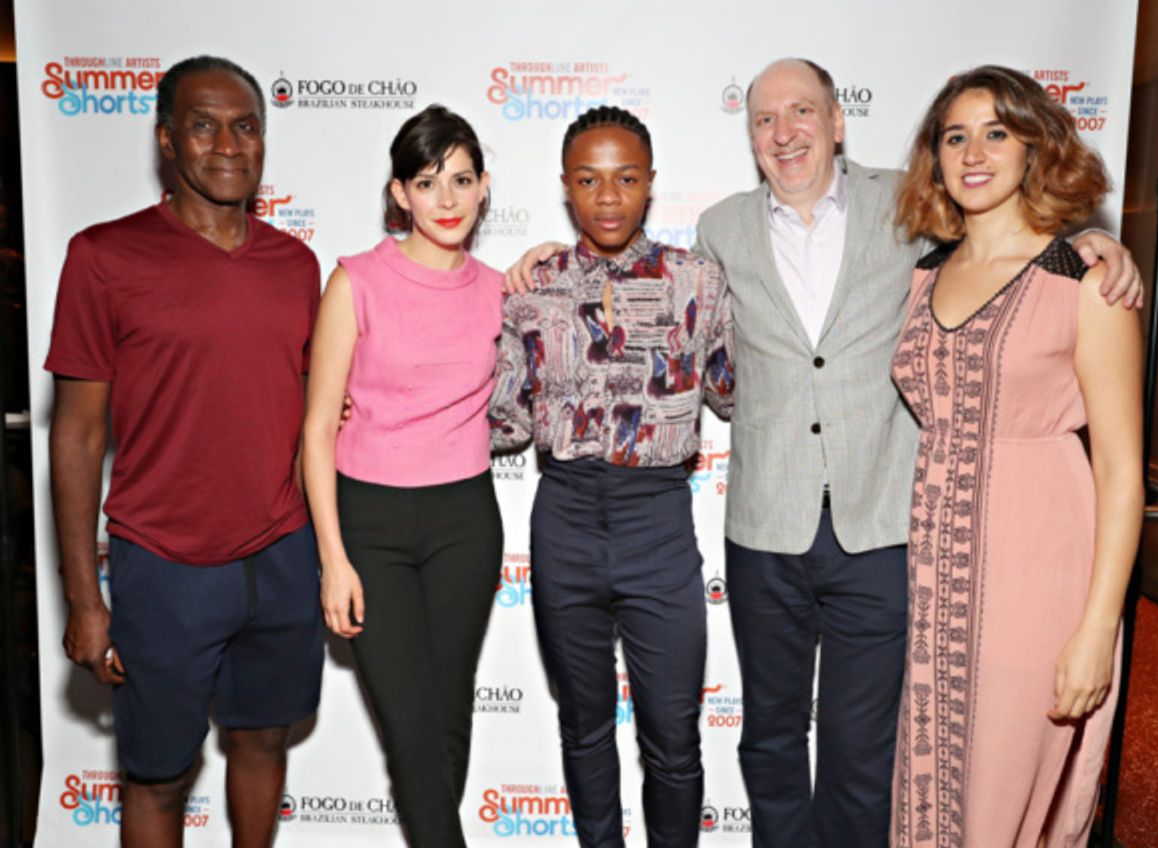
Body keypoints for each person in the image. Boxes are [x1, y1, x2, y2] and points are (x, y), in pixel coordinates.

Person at [507, 58, 1141, 848]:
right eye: (765, 120)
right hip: (765, 529)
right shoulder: (719, 232)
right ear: (751, 139)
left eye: (802, 112)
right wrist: (545, 266)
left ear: (837, 122)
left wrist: (1091, 244)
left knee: (863, 749)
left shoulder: (908, 205)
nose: (785, 133)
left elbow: (1010, 238)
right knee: (770, 739)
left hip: (883, 525)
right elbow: (637, 290)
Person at [46, 56, 323, 848]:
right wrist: (84, 600)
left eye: (245, 127)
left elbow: (308, 418)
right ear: (167, 140)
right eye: (204, 126)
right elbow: (77, 434)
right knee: (158, 776)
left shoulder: (296, 264)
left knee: (263, 742)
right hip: (163, 564)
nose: (228, 145)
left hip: (281, 554)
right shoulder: (104, 257)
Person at [889, 65, 1142, 847]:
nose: (973, 153)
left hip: (1040, 573)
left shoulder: (1086, 282)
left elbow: (1121, 471)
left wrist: (1098, 628)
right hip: (936, 574)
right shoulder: (924, 275)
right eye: (955, 136)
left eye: (996, 133)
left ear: (1036, 148)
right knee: (937, 783)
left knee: (1004, 793)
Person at [489, 105, 734, 848]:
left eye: (626, 178)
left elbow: (737, 392)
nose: (608, 197)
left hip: (658, 522)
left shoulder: (699, 280)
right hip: (564, 519)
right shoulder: (533, 286)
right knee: (584, 725)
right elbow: (505, 420)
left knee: (674, 734)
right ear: (566, 186)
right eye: (589, 179)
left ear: (650, 183)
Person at [302, 105, 502, 847]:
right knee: (412, 733)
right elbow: (316, 429)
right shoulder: (355, 281)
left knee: (447, 722)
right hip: (370, 524)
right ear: (399, 193)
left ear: (484, 187)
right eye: (426, 182)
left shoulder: (501, 289)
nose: (446, 200)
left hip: (465, 523)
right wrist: (333, 559)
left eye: (461, 180)